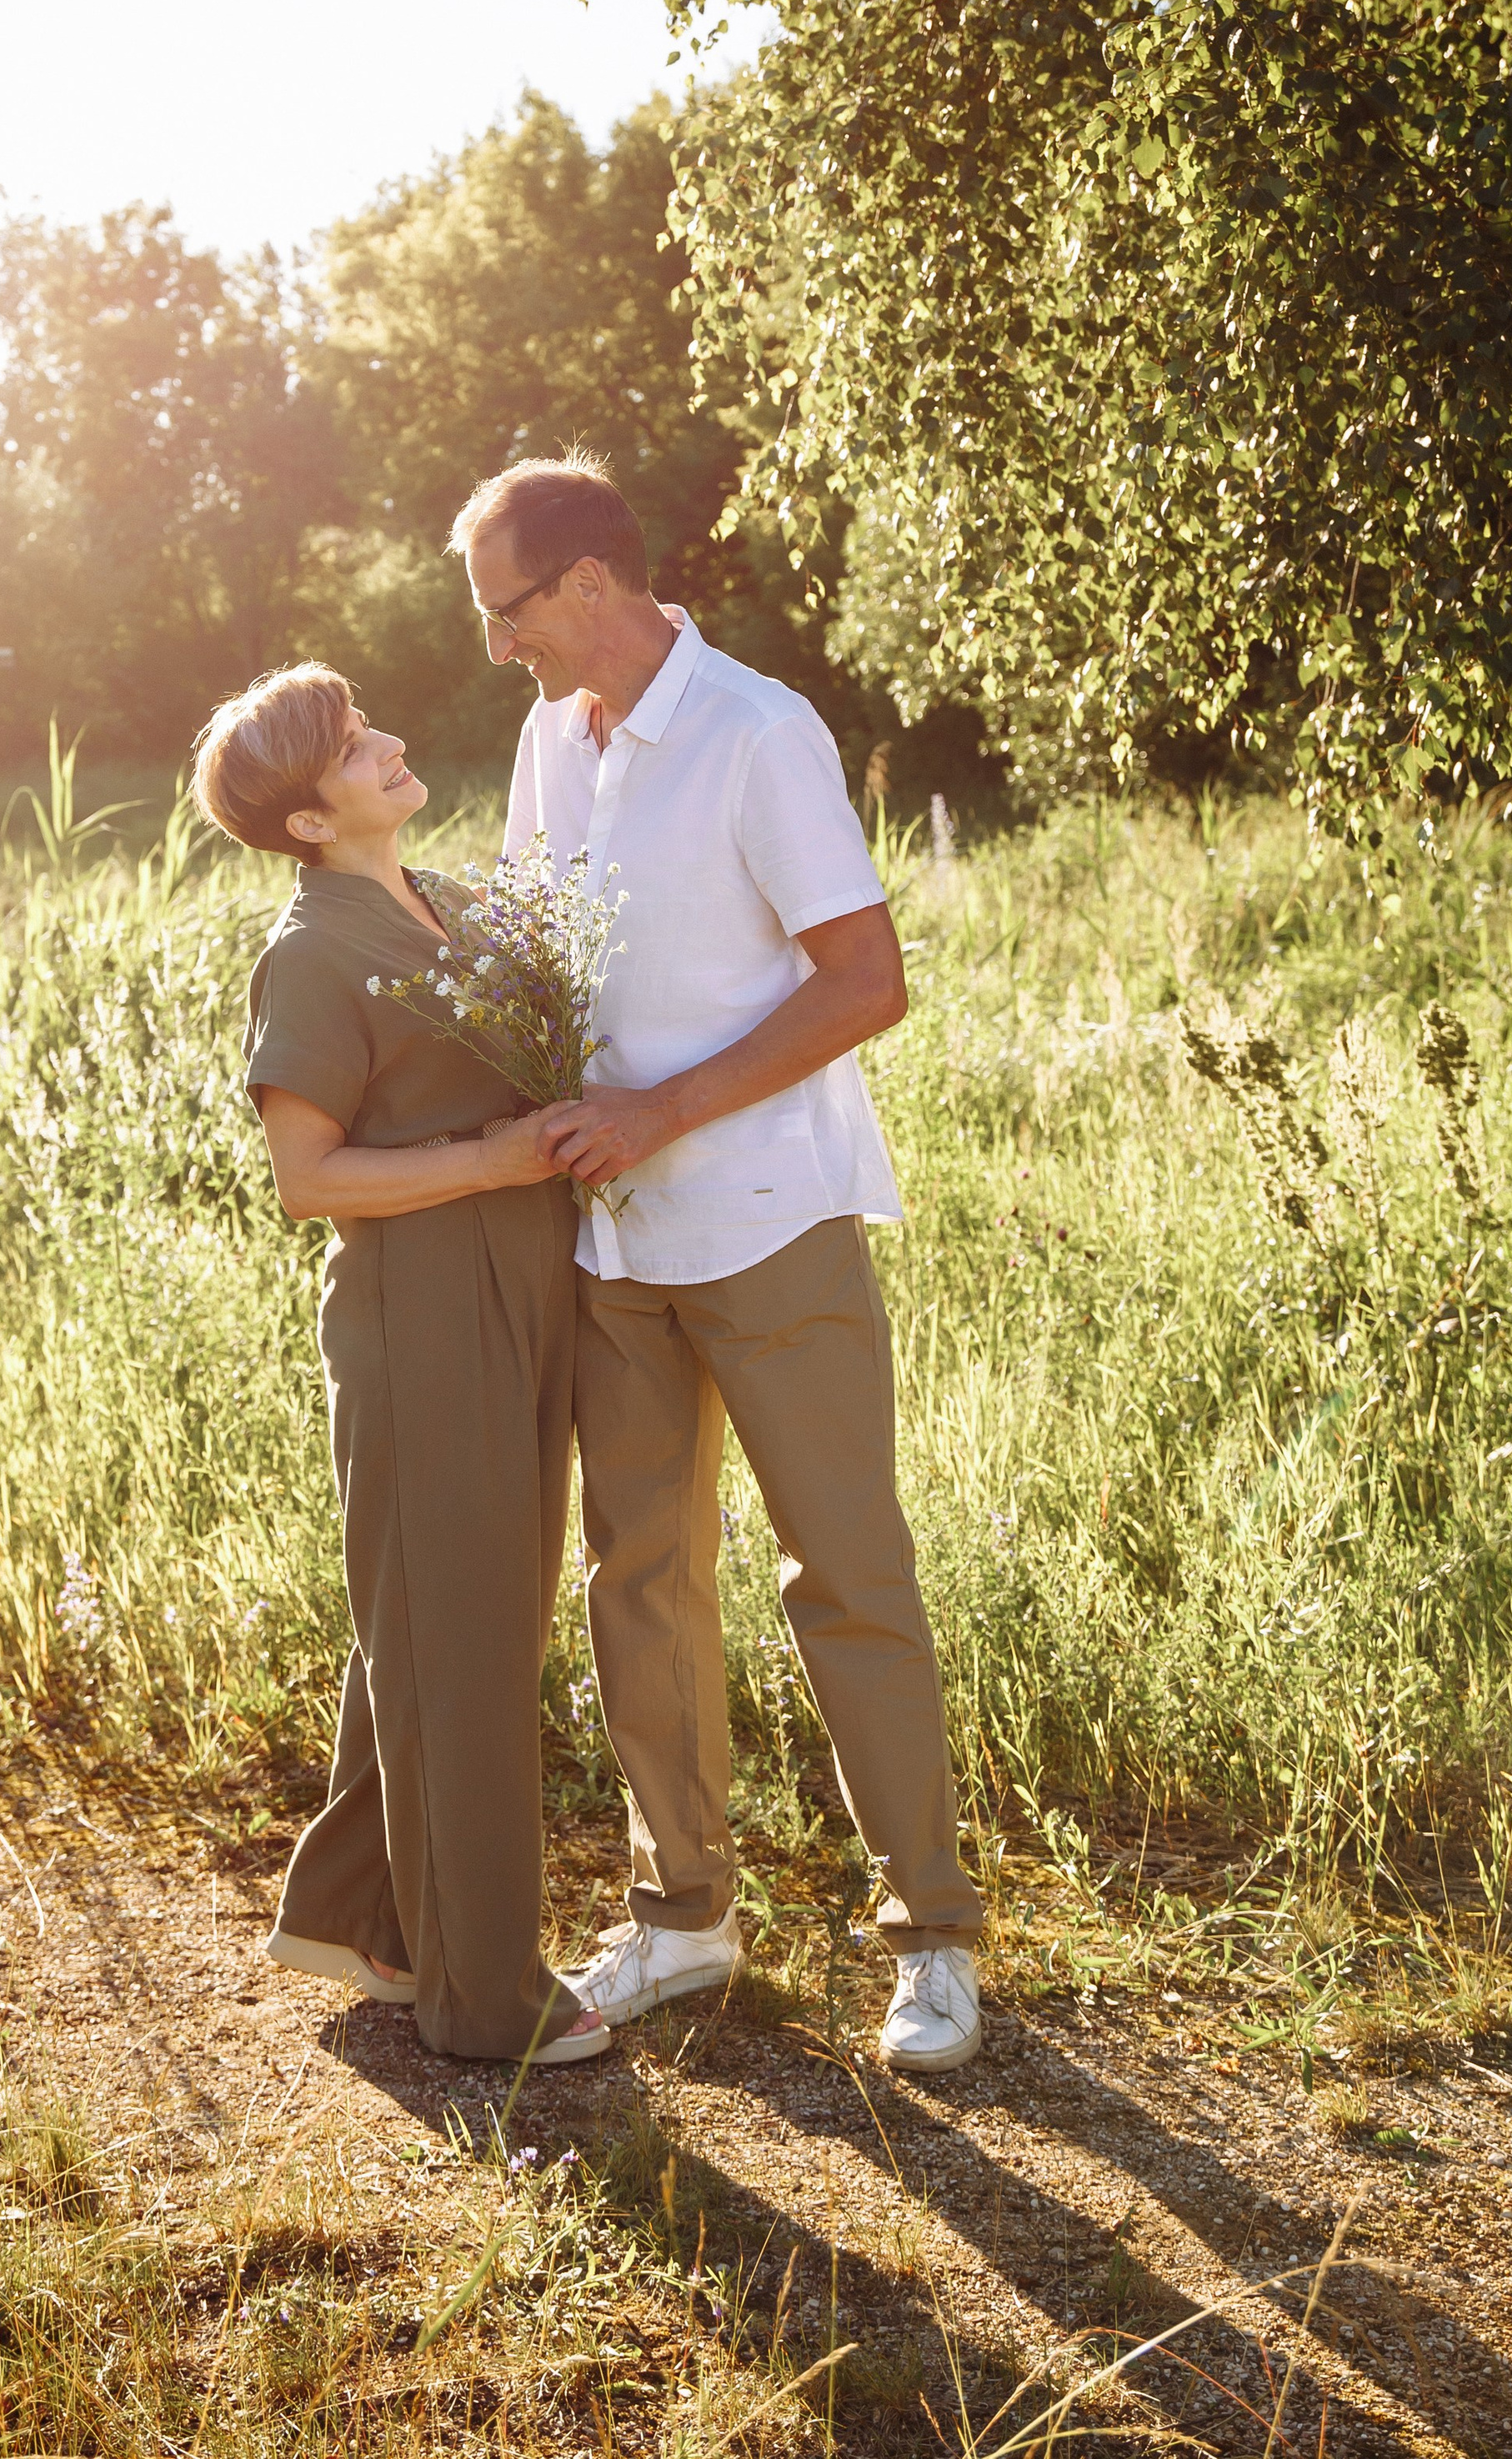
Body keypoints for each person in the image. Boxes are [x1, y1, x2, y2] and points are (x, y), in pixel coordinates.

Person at [448, 459, 988, 2073]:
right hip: (612, 1240)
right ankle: (682, 1917)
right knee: (639, 1580)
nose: (495, 646)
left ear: (589, 583)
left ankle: (932, 1937)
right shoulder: (550, 741)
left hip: (767, 1222)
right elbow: (525, 953)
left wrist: (658, 1110)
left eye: (506, 611)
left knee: (845, 1572)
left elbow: (866, 981)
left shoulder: (760, 733)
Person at [193, 662, 608, 2066]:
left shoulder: (457, 901)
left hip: (531, 1291)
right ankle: (482, 1995)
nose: (390, 742)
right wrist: (492, 1158)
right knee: (462, 1643)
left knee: (448, 1622)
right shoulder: (311, 954)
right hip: (420, 1312)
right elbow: (306, 1180)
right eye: (355, 746)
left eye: (371, 723)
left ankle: (351, 1910)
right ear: (309, 823)